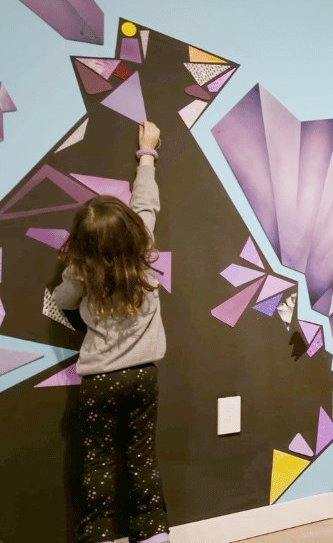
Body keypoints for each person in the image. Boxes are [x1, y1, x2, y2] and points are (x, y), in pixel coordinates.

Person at [53, 121, 169, 543]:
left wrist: (76, 273)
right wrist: (147, 154)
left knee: (98, 462)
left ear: (82, 244)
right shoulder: (143, 252)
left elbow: (64, 301)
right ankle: (155, 535)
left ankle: (99, 537)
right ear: (133, 231)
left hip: (101, 379)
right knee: (141, 458)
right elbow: (146, 202)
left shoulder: (81, 271)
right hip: (144, 376)